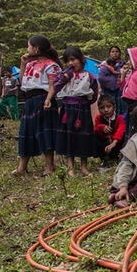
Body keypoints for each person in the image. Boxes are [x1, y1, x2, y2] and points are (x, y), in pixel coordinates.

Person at [12, 35, 61, 177]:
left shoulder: (51, 65)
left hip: (43, 100)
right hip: (29, 100)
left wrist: (48, 99)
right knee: (26, 132)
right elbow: (22, 81)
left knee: (45, 132)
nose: (27, 49)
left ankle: (49, 166)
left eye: (29, 46)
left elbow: (53, 85)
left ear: (36, 48)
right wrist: (22, 64)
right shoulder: (30, 64)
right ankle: (21, 167)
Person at [54, 47, 99, 177]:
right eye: (67, 61)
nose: (70, 63)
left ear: (82, 59)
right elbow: (56, 87)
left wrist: (84, 102)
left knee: (83, 136)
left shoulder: (89, 76)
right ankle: (70, 168)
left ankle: (84, 167)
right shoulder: (64, 75)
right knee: (69, 136)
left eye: (73, 59)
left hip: (82, 108)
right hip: (67, 108)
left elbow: (94, 94)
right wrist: (65, 77)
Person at [94, 95, 127, 162]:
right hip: (103, 143)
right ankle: (102, 157)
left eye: (108, 107)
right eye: (102, 108)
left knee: (124, 136)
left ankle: (118, 157)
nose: (106, 110)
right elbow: (95, 129)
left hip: (115, 144)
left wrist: (113, 143)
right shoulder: (98, 118)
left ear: (114, 108)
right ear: (99, 110)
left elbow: (121, 131)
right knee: (93, 137)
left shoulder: (119, 118)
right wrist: (101, 127)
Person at [99, 46, 127, 116]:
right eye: (112, 52)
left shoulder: (123, 64)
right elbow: (100, 76)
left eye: (116, 51)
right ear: (109, 53)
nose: (115, 53)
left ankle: (120, 119)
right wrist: (99, 88)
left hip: (119, 88)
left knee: (119, 105)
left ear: (119, 53)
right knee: (108, 104)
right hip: (107, 88)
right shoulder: (104, 64)